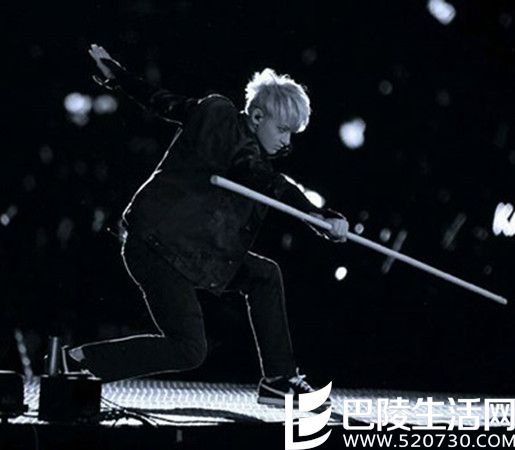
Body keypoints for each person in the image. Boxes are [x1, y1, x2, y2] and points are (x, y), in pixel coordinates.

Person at [67, 44, 348, 406]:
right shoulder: (219, 118)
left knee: (264, 276)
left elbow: (161, 101)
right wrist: (317, 216)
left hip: (197, 251)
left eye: (292, 134)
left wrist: (120, 77)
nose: (286, 142)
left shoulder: (252, 152)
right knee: (189, 349)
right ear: (257, 116)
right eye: (283, 130)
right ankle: (79, 363)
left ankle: (278, 380)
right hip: (157, 248)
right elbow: (266, 180)